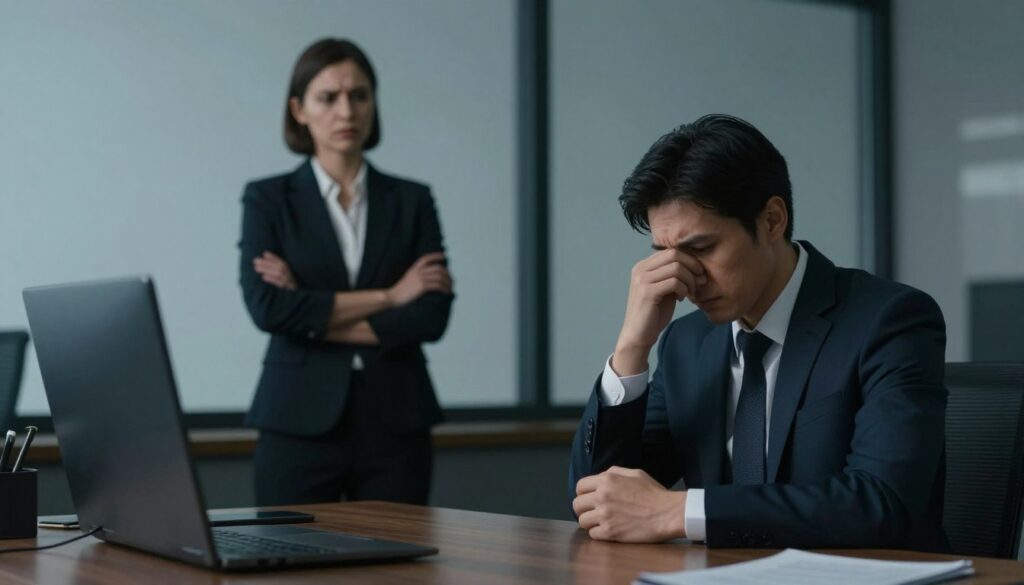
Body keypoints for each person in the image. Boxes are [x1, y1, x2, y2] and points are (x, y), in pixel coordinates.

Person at [568, 114, 947, 551]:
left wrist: (680, 511)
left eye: (701, 249)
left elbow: (882, 502)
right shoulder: (686, 344)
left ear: (772, 220)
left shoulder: (889, 320)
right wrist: (632, 347)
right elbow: (597, 501)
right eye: (664, 254)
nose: (683, 277)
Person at [238, 38, 454, 506]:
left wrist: (311, 313)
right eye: (328, 97)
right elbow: (269, 309)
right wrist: (394, 296)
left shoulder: (412, 200)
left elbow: (431, 317)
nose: (346, 111)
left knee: (395, 572)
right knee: (285, 568)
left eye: (359, 95)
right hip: (295, 419)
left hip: (397, 420)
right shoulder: (267, 199)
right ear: (299, 109)